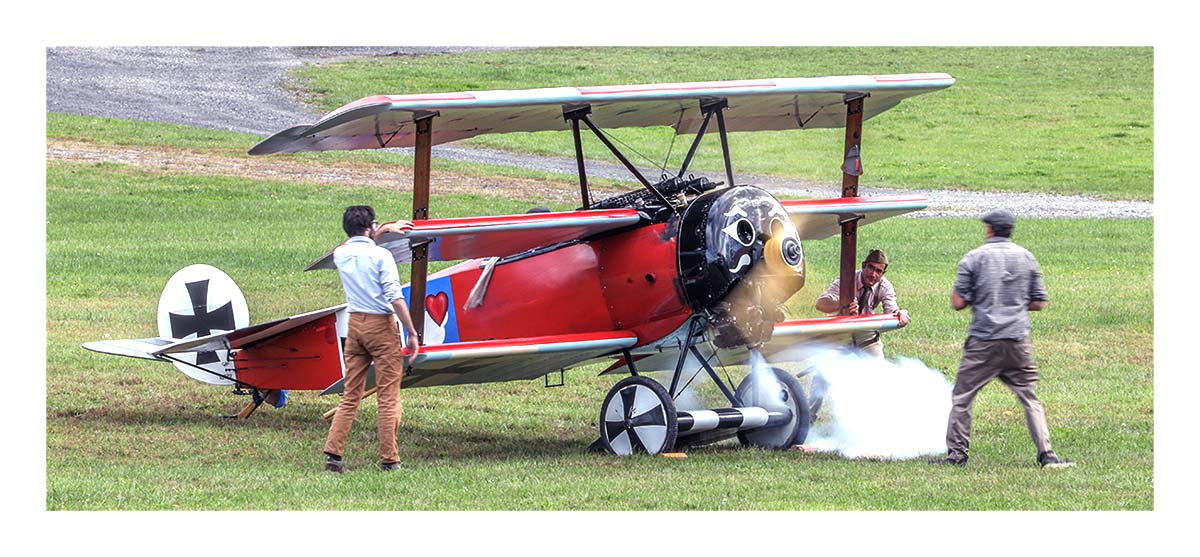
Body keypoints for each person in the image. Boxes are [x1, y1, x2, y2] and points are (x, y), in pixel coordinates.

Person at [932, 209, 1074, 468]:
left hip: (983, 341)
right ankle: (1047, 455)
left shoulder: (973, 258)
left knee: (963, 398)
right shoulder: (1027, 257)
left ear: (989, 230)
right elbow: (1039, 302)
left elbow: (957, 302)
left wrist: (980, 297)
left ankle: (957, 455)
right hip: (1018, 340)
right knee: (1029, 397)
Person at [324, 206, 421, 473]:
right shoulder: (382, 256)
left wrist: (382, 229)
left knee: (350, 394)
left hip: (355, 325)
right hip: (381, 326)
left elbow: (353, 243)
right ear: (371, 227)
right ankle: (389, 458)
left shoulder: (341, 254)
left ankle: (334, 454)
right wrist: (411, 331)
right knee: (388, 395)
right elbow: (395, 296)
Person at [814, 248, 911, 358]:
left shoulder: (884, 286)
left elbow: (891, 311)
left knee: (878, 365)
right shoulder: (846, 279)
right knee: (827, 366)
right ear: (863, 265)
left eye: (878, 271)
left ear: (883, 273)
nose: (873, 274)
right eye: (871, 268)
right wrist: (843, 305)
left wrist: (899, 314)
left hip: (866, 332)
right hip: (840, 330)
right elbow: (820, 304)